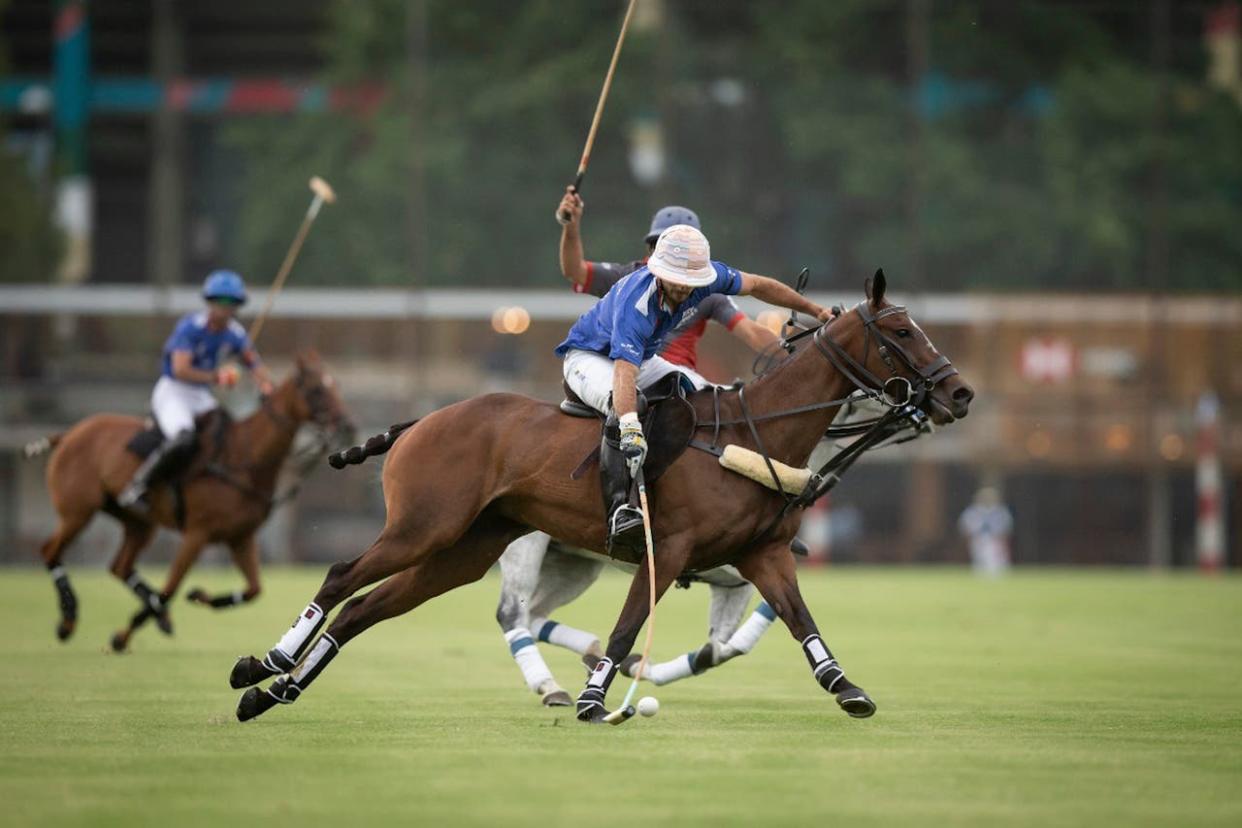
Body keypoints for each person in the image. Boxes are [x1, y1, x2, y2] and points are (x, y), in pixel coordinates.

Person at [554, 223, 834, 554]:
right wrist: (630, 425)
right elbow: (624, 373)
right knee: (627, 411)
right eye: (680, 281)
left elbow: (760, 285)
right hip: (588, 358)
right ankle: (620, 511)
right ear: (659, 271)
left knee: (702, 393)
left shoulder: (706, 277)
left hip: (642, 360)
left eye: (692, 281)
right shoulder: (637, 303)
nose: (687, 288)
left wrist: (815, 311)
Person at [556, 188, 779, 381]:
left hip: (679, 385)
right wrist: (571, 227)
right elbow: (574, 271)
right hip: (631, 376)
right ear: (651, 249)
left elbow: (750, 331)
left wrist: (792, 355)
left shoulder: (707, 289)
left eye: (683, 250)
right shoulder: (628, 278)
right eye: (666, 246)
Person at [118, 270, 274, 513]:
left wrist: (266, 386)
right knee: (184, 436)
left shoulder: (235, 333)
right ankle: (138, 485)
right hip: (174, 391)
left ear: (237, 306)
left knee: (225, 431)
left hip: (201, 395)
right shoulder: (190, 328)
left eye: (230, 303)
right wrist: (217, 376)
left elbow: (254, 363)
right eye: (220, 301)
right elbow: (181, 369)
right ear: (209, 302)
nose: (225, 308)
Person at [958, 486, 1013, 576]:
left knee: (996, 560)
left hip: (995, 539)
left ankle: (997, 577)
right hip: (978, 538)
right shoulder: (972, 511)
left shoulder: (1000, 511)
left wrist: (1001, 537)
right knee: (979, 559)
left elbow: (1005, 526)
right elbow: (965, 525)